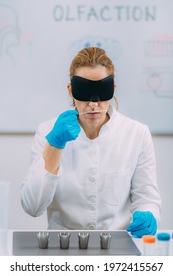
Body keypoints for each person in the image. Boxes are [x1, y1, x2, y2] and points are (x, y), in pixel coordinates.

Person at [21, 47, 161, 237]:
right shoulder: (47, 131)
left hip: (118, 246)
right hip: (62, 248)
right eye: (85, 91)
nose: (94, 104)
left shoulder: (137, 134)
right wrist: (54, 146)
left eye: (102, 91)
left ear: (112, 89)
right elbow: (32, 206)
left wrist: (148, 213)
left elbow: (147, 198)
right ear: (71, 90)